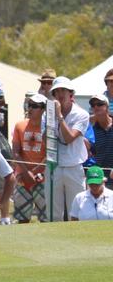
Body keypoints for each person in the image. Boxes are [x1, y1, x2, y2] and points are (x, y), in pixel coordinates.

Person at [48, 76, 90, 222]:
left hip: (74, 166)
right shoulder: (48, 113)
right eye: (57, 91)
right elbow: (44, 139)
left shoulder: (82, 114)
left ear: (70, 93)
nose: (60, 94)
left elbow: (69, 138)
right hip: (54, 166)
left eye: (63, 90)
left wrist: (59, 116)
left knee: (76, 212)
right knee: (53, 214)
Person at [11, 93, 48, 223]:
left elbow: (49, 155)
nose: (30, 109)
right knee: (22, 219)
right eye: (29, 105)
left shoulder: (49, 129)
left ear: (44, 109)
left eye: (34, 106)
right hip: (22, 177)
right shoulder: (19, 126)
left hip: (43, 178)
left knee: (45, 219)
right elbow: (15, 152)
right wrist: (27, 173)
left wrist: (34, 173)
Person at [83, 93, 113, 173]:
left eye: (99, 104)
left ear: (107, 107)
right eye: (93, 105)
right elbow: (91, 151)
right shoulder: (91, 130)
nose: (96, 107)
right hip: (98, 175)